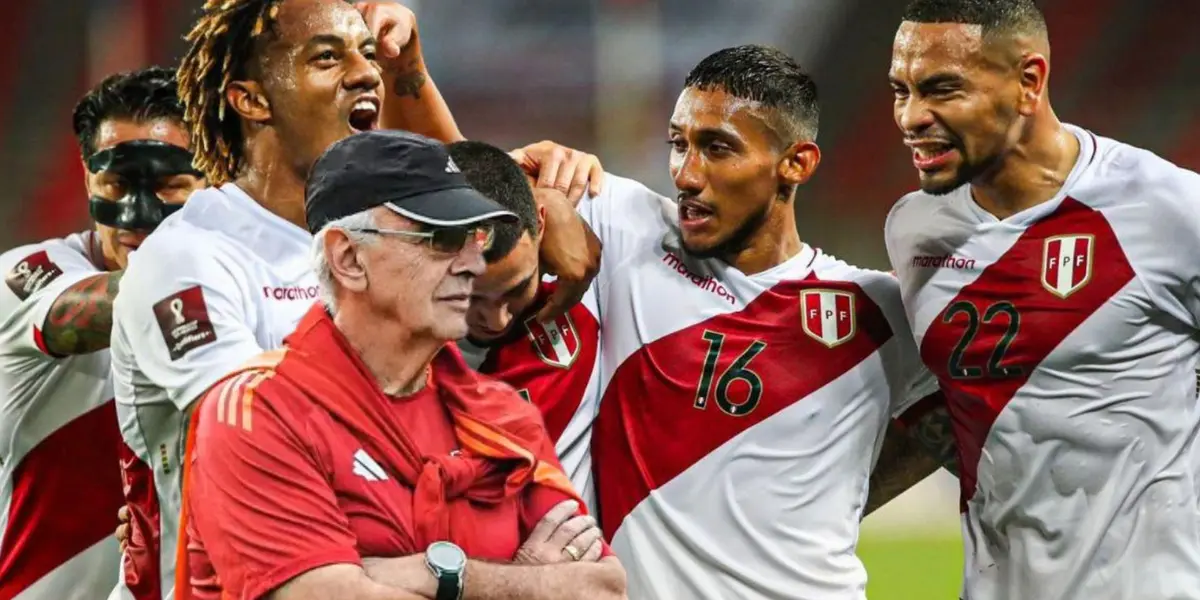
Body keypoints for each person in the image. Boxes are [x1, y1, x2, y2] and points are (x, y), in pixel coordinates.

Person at [110, 2, 604, 598]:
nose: (366, 72)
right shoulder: (190, 259)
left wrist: (545, 200)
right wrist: (497, 573)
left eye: (369, 55)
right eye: (327, 57)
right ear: (252, 100)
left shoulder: (392, 244)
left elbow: (471, 205)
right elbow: (268, 473)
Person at [555, 45, 947, 599]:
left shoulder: (876, 310)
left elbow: (969, 417)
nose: (687, 174)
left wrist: (853, 491)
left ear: (797, 163)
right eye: (678, 144)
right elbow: (463, 194)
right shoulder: (626, 227)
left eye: (717, 149)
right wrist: (415, 77)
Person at [178, 129, 625, 600]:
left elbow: (605, 589)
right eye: (441, 239)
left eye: (474, 238)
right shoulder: (256, 411)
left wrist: (441, 575)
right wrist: (530, 578)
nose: (472, 264)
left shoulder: (501, 414)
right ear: (349, 257)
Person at [884, 1, 1200, 599]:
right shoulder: (916, 229)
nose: (911, 115)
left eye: (941, 89)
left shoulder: (1167, 209)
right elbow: (952, 412)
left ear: (1028, 82)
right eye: (900, 90)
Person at [0, 66, 202, 600]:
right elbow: (100, 309)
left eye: (168, 184)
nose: (138, 215)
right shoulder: (23, 277)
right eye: (116, 184)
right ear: (87, 178)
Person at [450, 141, 603, 510]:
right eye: (470, 298)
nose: (497, 319)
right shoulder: (394, 340)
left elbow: (486, 173)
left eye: (517, 289)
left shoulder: (586, 277)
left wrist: (550, 184)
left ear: (543, 224)